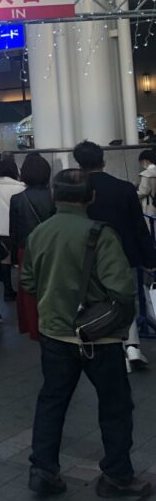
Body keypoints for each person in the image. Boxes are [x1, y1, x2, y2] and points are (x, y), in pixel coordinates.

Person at [20, 169, 149, 499]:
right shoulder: (100, 234)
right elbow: (121, 290)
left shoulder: (40, 233)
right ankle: (117, 476)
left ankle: (44, 472)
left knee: (52, 402)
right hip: (100, 339)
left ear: (53, 195)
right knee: (115, 406)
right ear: (91, 197)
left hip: (55, 336)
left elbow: (29, 284)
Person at [74, 140, 156, 369]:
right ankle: (132, 346)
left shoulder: (77, 192)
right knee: (126, 296)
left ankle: (109, 345)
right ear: (103, 160)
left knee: (97, 300)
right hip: (124, 253)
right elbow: (139, 227)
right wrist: (150, 258)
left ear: (79, 163)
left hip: (89, 256)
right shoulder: (124, 188)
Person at [9, 153, 56, 340]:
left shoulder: (17, 199)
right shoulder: (54, 197)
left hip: (25, 248)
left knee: (29, 289)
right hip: (52, 246)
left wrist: (13, 256)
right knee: (52, 284)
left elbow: (14, 230)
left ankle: (34, 327)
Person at [0, 156, 25, 304]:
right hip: (16, 232)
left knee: (4, 261)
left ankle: (7, 290)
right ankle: (22, 292)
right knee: (21, 263)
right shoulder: (21, 188)